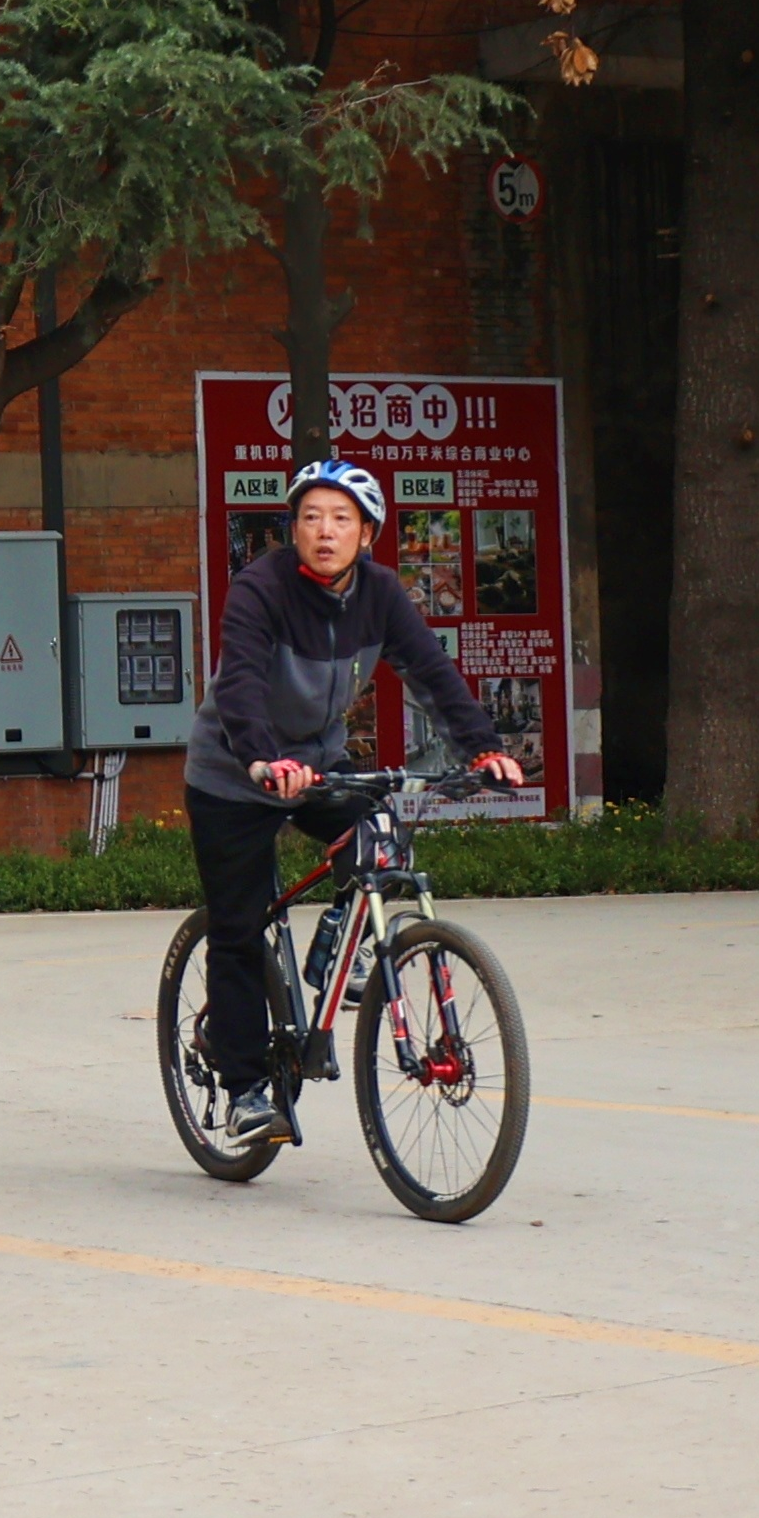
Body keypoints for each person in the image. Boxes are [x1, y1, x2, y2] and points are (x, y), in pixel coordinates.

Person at [189, 459, 524, 1146]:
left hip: (317, 764)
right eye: (310, 517)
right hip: (235, 772)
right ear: (293, 528)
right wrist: (261, 756)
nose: (324, 530)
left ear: (366, 534)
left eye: (341, 519)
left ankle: (337, 952)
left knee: (381, 832)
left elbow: (429, 671)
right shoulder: (260, 588)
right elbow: (241, 681)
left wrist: (482, 749)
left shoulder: (380, 593)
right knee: (237, 928)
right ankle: (246, 1090)